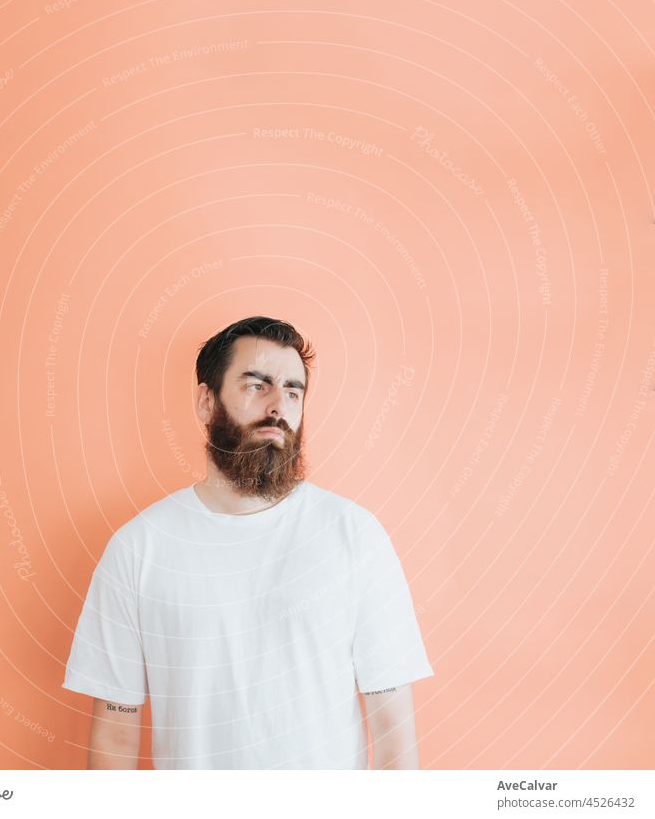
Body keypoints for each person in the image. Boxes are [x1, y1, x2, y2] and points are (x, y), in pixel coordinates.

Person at [62, 315, 434, 769]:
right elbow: (115, 735)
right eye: (257, 385)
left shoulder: (354, 535)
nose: (279, 404)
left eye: (293, 391)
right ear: (205, 401)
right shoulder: (139, 547)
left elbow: (393, 729)